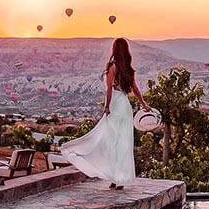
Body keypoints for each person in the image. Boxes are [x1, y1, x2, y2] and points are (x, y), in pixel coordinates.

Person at [61, 38, 150, 189]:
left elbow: (109, 89)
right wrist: (144, 104)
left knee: (109, 142)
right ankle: (120, 178)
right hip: (125, 106)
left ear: (114, 50)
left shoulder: (112, 67)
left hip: (116, 104)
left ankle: (113, 177)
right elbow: (135, 89)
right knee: (123, 143)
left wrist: (107, 106)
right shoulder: (128, 68)